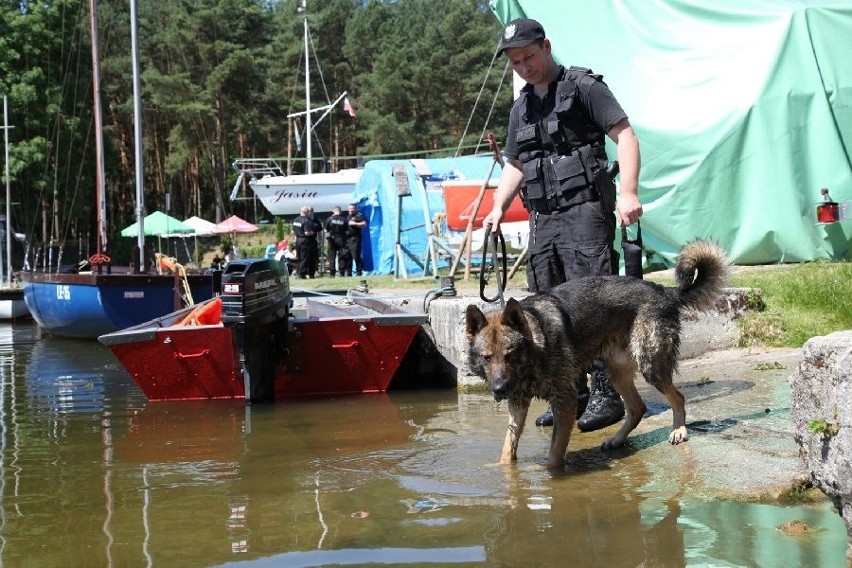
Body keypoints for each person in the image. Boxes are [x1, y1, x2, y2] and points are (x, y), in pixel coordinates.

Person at [483, 18, 643, 431]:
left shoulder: (584, 87)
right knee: (548, 307)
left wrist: (628, 192)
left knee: (594, 308)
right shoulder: (521, 107)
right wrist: (498, 206)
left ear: (547, 46)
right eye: (516, 62)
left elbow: (625, 135)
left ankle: (607, 396)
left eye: (529, 57)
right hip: (544, 220)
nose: (524, 67)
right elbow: (516, 163)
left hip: (585, 210)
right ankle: (569, 394)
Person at [292, 206, 322, 278]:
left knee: (299, 257)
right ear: (306, 212)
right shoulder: (306, 221)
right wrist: (312, 232)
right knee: (305, 258)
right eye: (308, 212)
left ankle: (299, 272)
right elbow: (307, 233)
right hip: (305, 241)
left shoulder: (295, 220)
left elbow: (293, 231)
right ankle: (302, 274)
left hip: (298, 240)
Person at [324, 206, 349, 277]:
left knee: (332, 257)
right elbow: (346, 231)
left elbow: (326, 230)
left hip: (332, 239)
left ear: (333, 211)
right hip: (341, 238)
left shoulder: (330, 219)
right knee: (341, 256)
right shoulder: (344, 220)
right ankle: (341, 272)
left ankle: (332, 273)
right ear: (340, 212)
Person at [345, 203, 367, 276]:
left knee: (356, 256)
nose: (351, 210)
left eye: (352, 208)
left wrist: (355, 223)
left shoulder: (358, 215)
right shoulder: (348, 216)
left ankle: (359, 272)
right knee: (348, 257)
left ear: (355, 209)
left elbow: (364, 224)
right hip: (347, 239)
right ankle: (349, 273)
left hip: (355, 239)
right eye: (350, 209)